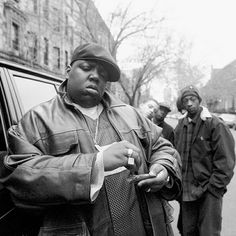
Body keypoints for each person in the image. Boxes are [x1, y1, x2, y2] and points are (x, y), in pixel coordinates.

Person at [0, 43, 182, 236]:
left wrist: (163, 168)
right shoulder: (37, 120)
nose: (95, 76)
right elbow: (19, 176)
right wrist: (96, 164)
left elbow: (163, 147)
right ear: (69, 70)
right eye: (86, 68)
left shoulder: (129, 114)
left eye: (102, 74)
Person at [175, 85, 235, 236]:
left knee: (209, 232)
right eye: (185, 100)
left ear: (199, 101)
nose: (189, 103)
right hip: (187, 191)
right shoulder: (180, 126)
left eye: (192, 99)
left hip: (209, 191)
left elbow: (226, 160)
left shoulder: (214, 124)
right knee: (187, 231)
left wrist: (214, 188)